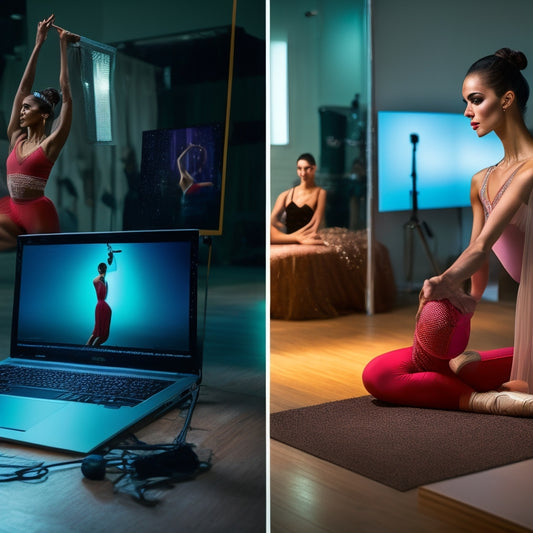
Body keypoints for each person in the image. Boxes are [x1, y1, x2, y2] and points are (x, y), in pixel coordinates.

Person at [363, 48, 533, 417]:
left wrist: (443, 280)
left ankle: (497, 400)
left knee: (492, 374)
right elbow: (477, 250)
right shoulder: (481, 180)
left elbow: (484, 244)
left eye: (476, 100)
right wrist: (467, 300)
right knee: (382, 372)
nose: (467, 112)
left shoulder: (531, 171)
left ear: (507, 100)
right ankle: (490, 401)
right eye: (465, 102)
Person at [0, 15, 79, 250]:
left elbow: (67, 96)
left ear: (44, 114)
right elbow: (24, 88)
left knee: (46, 262)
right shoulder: (16, 137)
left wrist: (63, 45)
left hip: (37, 211)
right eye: (21, 107)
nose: (21, 112)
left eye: (27, 108)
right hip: (13, 209)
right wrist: (38, 43)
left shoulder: (50, 145)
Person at [270, 153, 327, 244]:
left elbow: (317, 222)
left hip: (307, 235)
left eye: (307, 168)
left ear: (314, 168)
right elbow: (272, 220)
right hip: (289, 236)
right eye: (299, 168)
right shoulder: (285, 195)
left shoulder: (320, 193)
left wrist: (308, 235)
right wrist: (285, 229)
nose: (303, 173)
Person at [87, 262, 112, 346]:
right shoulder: (101, 279)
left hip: (101, 306)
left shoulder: (97, 280)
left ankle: (88, 349)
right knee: (100, 334)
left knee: (96, 332)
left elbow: (102, 295)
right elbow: (103, 295)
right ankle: (92, 349)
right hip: (102, 306)